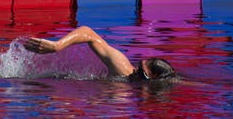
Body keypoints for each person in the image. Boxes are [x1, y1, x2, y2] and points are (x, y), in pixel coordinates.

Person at [23, 26, 176, 82]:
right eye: (140, 71)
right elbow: (88, 33)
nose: (136, 72)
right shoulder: (123, 69)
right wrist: (57, 46)